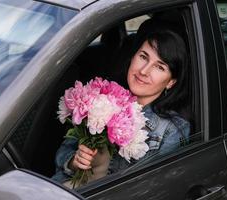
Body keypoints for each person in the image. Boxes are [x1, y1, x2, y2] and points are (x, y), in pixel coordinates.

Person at [51, 20, 190, 184]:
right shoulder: (101, 97)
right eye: (143, 57)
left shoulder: (171, 130)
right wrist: (75, 162)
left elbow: (146, 188)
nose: (144, 71)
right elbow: (63, 154)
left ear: (170, 82)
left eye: (159, 67)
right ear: (133, 57)